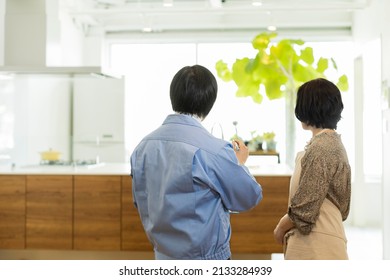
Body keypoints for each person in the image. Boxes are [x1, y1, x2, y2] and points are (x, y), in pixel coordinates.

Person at [130, 65, 263, 260]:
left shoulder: (143, 147)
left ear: (173, 96)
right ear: (210, 101)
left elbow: (140, 200)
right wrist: (239, 163)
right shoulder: (215, 150)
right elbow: (248, 197)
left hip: (162, 257)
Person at [273, 78, 351, 260]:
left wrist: (279, 229)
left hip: (316, 246)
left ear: (307, 108)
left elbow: (304, 211)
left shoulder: (321, 148)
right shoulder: (332, 143)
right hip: (327, 239)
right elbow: (343, 209)